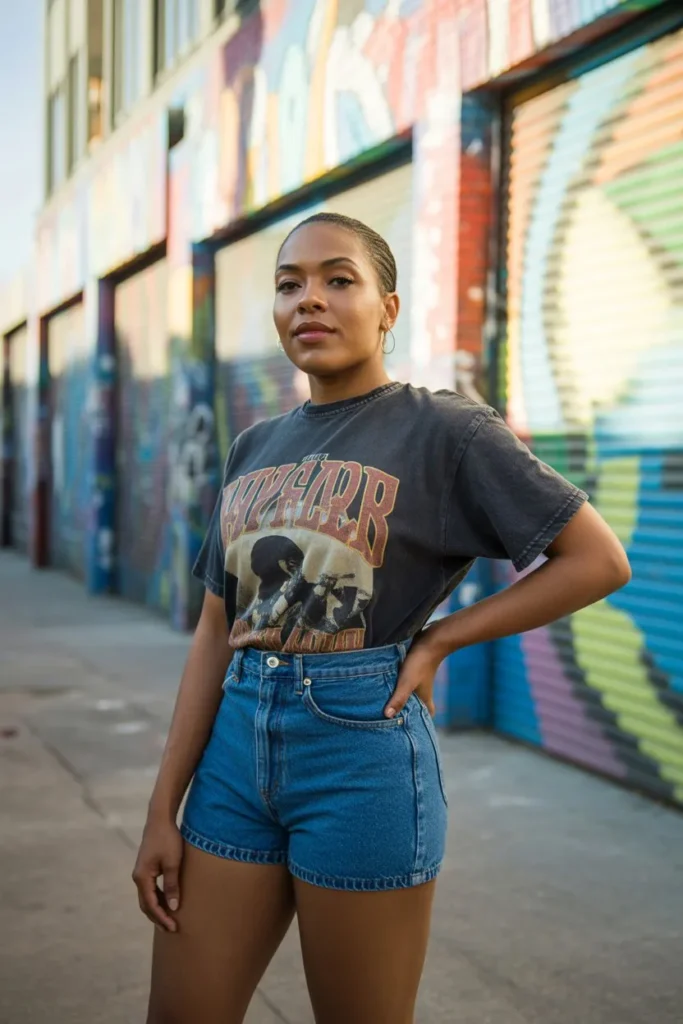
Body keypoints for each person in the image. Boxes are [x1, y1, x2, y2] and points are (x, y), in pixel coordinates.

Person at [133, 212, 631, 1024]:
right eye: (289, 284)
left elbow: (597, 559)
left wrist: (441, 638)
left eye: (338, 279)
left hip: (359, 751)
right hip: (233, 750)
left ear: (387, 309)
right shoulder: (252, 445)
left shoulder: (445, 430)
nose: (309, 301)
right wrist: (164, 807)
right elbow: (214, 632)